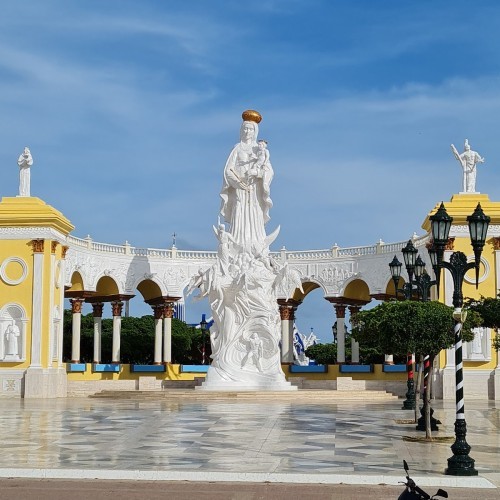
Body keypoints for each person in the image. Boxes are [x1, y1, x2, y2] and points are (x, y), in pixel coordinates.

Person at [220, 117, 273, 253]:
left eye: (250, 128)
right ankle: (236, 246)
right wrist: (237, 183)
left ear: (255, 131)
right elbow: (228, 170)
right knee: (239, 212)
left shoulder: (260, 149)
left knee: (255, 213)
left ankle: (256, 247)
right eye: (245, 128)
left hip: (254, 189)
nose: (247, 131)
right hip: (240, 189)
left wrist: (257, 173)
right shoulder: (237, 148)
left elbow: (269, 171)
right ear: (241, 130)